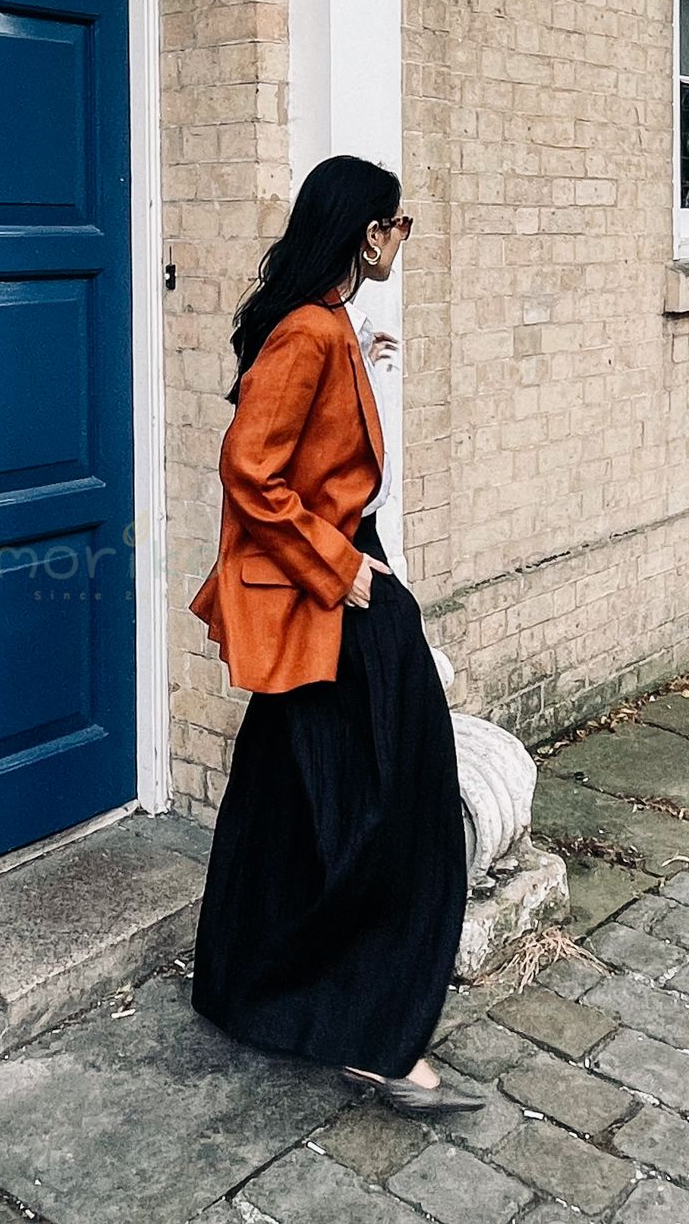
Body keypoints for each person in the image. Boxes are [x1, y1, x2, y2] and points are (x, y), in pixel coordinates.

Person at [186, 154, 482, 1115]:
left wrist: (361, 357)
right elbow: (249, 467)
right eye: (399, 224)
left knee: (285, 799)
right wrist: (341, 566)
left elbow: (307, 437)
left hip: (340, 574)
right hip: (335, 584)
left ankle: (248, 986)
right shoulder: (310, 332)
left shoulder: (326, 325)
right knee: (406, 802)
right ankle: (378, 1034)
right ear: (368, 232)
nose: (404, 239)